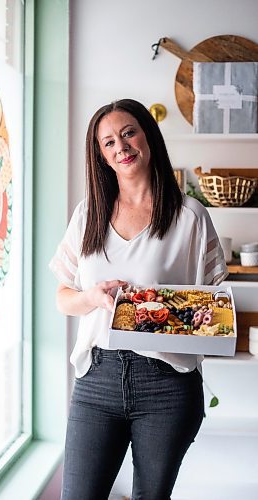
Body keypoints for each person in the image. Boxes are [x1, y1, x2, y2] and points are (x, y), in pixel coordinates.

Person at [49, 98, 228, 500]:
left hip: (166, 382)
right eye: (108, 142)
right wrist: (92, 297)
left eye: (128, 133)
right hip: (97, 379)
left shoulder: (190, 216)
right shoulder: (88, 214)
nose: (121, 147)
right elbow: (63, 298)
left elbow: (212, 306)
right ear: (101, 156)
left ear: (148, 135)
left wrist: (177, 315)